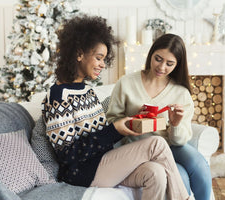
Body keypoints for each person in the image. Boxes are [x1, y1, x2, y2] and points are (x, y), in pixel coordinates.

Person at [41, 15, 192, 200]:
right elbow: (67, 155)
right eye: (98, 58)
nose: (103, 64)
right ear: (79, 54)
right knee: (157, 144)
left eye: (104, 59)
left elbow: (100, 134)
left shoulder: (87, 91)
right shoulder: (58, 96)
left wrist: (132, 120)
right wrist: (114, 130)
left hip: (105, 162)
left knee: (156, 173)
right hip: (82, 173)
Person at [106, 33, 212, 200]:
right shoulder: (126, 83)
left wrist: (175, 125)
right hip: (137, 148)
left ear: (177, 65)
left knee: (197, 162)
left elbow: (179, 141)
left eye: (169, 64)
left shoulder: (181, 93)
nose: (161, 67)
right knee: (181, 176)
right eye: (158, 59)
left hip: (169, 147)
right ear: (151, 54)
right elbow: (111, 122)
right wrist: (135, 121)